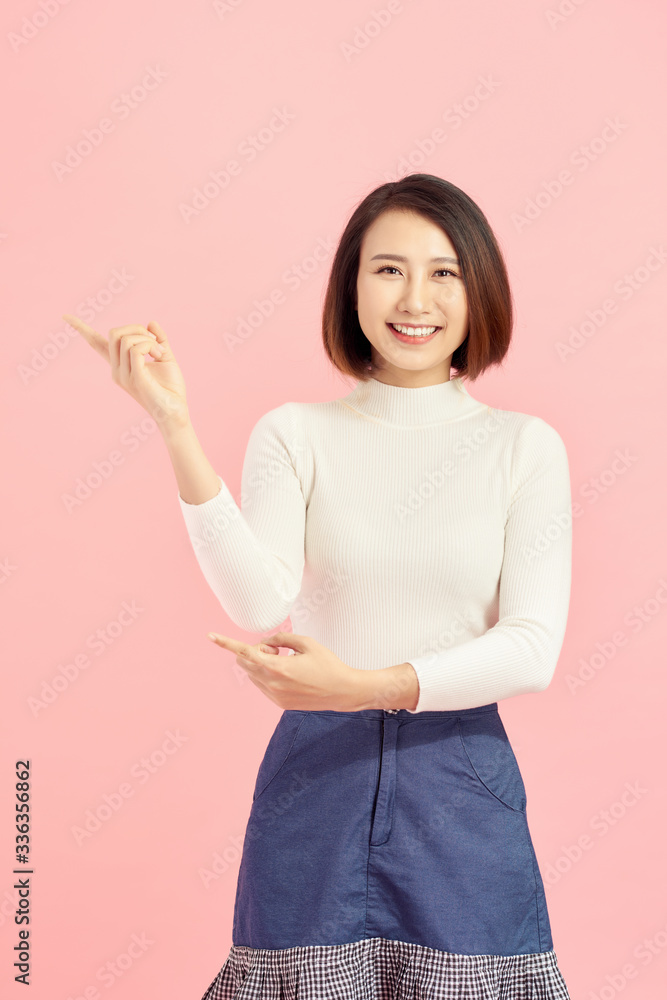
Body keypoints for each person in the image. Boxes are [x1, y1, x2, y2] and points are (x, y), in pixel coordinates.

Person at [64, 173, 572, 999]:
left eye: (443, 271)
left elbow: (531, 648)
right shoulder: (296, 434)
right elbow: (260, 601)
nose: (415, 298)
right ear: (351, 285)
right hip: (314, 783)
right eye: (387, 269)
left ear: (479, 288)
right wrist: (174, 424)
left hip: (462, 785)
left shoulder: (524, 449)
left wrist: (360, 685)